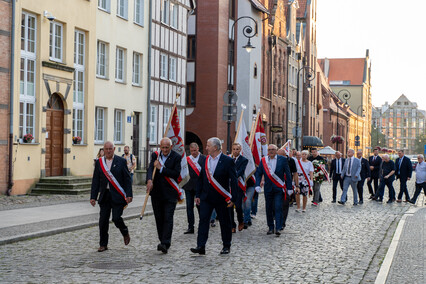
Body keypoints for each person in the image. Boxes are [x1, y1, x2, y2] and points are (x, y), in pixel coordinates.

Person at [190, 137, 238, 255]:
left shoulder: (227, 161)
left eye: (208, 146)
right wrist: (198, 194)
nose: (206, 148)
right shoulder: (205, 160)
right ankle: (201, 246)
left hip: (222, 198)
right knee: (203, 221)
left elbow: (234, 180)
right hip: (206, 197)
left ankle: (226, 245)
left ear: (215, 147)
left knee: (224, 222)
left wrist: (234, 198)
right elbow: (201, 178)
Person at [90, 141, 133, 252]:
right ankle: (103, 244)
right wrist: (93, 196)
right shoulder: (99, 162)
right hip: (105, 195)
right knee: (103, 221)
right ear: (103, 150)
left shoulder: (121, 161)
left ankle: (125, 231)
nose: (108, 151)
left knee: (116, 218)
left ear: (114, 149)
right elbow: (95, 181)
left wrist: (129, 194)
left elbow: (127, 179)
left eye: (110, 149)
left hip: (117, 195)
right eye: (106, 149)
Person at [146, 137, 182, 254]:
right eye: (163, 147)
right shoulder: (155, 156)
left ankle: (166, 243)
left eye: (167, 147)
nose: (165, 150)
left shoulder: (176, 157)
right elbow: (150, 168)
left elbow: (176, 174)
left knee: (168, 218)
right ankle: (162, 240)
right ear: (160, 147)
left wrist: (162, 169)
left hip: (170, 193)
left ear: (171, 147)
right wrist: (149, 180)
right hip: (156, 193)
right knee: (159, 218)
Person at [255, 144, 292, 236]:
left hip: (279, 188)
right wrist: (257, 185)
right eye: (269, 149)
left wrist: (289, 187)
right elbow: (259, 173)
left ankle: (278, 228)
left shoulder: (282, 159)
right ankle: (270, 227)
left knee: (278, 207)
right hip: (268, 188)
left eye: (273, 149)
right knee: (269, 208)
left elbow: (288, 174)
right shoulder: (264, 160)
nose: (271, 151)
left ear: (276, 150)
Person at [182, 142, 206, 234]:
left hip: (200, 187)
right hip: (189, 186)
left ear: (198, 149)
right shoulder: (187, 159)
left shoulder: (204, 158)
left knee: (200, 207)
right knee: (189, 207)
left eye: (195, 151)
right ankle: (190, 227)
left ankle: (202, 225)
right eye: (191, 151)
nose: (193, 153)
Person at [229, 143, 248, 232]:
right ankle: (232, 225)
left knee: (238, 207)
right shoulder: (228, 159)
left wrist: (231, 176)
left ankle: (241, 221)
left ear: (240, 150)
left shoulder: (244, 160)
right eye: (234, 149)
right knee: (229, 207)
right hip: (229, 187)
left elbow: (240, 171)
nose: (235, 151)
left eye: (237, 149)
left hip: (238, 186)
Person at [277, 148, 297, 229]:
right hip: (277, 185)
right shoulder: (274, 160)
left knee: (285, 205)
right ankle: (277, 219)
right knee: (276, 205)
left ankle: (282, 222)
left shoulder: (291, 161)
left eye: (280, 155)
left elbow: (295, 173)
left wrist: (296, 185)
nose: (278, 157)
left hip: (286, 186)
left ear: (285, 155)